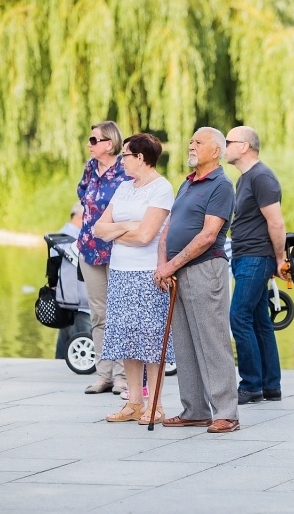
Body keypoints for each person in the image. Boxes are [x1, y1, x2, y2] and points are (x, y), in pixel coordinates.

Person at [154, 127, 240, 433]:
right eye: (190, 141)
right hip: (177, 272)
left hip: (205, 269)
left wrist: (171, 265)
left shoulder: (221, 185)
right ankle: (195, 409)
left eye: (198, 142)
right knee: (186, 342)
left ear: (216, 151)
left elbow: (207, 236)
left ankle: (226, 413)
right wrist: (163, 264)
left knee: (212, 340)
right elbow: (169, 227)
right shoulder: (187, 183)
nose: (191, 146)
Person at [92, 133, 175, 424]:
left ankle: (155, 403)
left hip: (147, 274)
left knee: (150, 339)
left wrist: (118, 232)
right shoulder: (124, 188)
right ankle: (134, 403)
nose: (121, 160)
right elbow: (98, 229)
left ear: (140, 157)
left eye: (125, 155)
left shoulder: (161, 189)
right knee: (127, 338)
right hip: (120, 272)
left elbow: (146, 236)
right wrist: (127, 225)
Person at [224, 126, 287, 404]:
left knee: (238, 316)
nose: (224, 146)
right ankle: (270, 385)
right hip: (245, 256)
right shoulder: (246, 178)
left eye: (228, 142)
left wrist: (279, 259)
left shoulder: (261, 177)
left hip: (255, 257)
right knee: (261, 321)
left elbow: (276, 222)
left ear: (244, 146)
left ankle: (250, 385)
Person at [76, 121, 128, 395]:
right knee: (99, 313)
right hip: (89, 248)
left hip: (118, 248)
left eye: (93, 140)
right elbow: (82, 194)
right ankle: (103, 374)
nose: (89, 144)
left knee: (119, 312)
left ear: (109, 144)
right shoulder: (89, 168)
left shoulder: (125, 170)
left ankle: (122, 377)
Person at [54, 202, 91, 359]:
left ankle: (60, 361)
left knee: (66, 337)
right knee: (83, 337)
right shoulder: (71, 239)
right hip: (79, 300)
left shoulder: (61, 236)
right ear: (80, 217)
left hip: (66, 298)